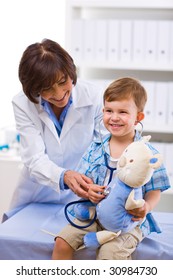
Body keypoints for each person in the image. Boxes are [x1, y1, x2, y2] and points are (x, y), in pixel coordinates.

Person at [52, 77, 171, 260]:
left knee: (110, 254)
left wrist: (146, 207)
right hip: (94, 214)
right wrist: (88, 191)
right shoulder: (95, 147)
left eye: (123, 112)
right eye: (109, 110)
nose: (114, 117)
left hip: (128, 222)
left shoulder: (146, 153)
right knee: (62, 242)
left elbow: (155, 190)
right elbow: (84, 181)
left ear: (138, 117)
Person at [9, 38, 106, 213]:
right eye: (47, 88)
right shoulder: (22, 104)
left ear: (71, 72)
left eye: (63, 82)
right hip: (37, 194)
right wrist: (63, 176)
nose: (59, 94)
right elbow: (34, 158)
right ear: (34, 88)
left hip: (80, 194)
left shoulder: (94, 96)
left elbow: (107, 149)